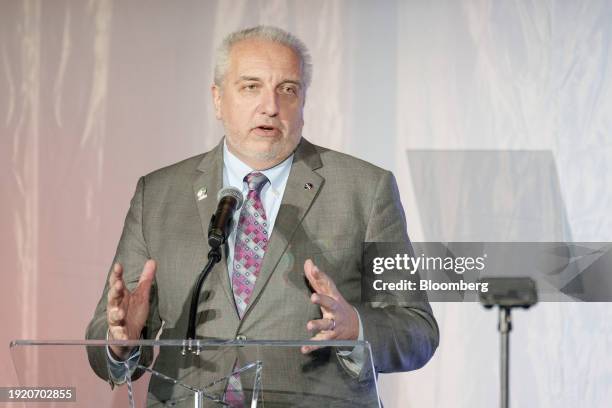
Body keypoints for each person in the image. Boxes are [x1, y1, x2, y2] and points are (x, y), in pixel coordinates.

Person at [86, 25, 439, 406]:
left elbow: (416, 329)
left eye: (288, 89)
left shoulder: (365, 189)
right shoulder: (157, 195)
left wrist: (356, 328)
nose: (271, 106)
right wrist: (120, 344)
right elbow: (107, 336)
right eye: (251, 86)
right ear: (218, 99)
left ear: (304, 100)